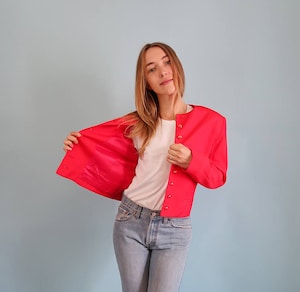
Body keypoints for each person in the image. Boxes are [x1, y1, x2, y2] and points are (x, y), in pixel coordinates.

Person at [57, 42, 228, 292]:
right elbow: (98, 146)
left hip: (175, 228)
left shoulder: (212, 122)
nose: (163, 71)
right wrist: (76, 143)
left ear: (177, 65)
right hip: (130, 222)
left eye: (167, 62)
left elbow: (218, 176)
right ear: (146, 81)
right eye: (152, 68)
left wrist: (192, 161)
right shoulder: (138, 123)